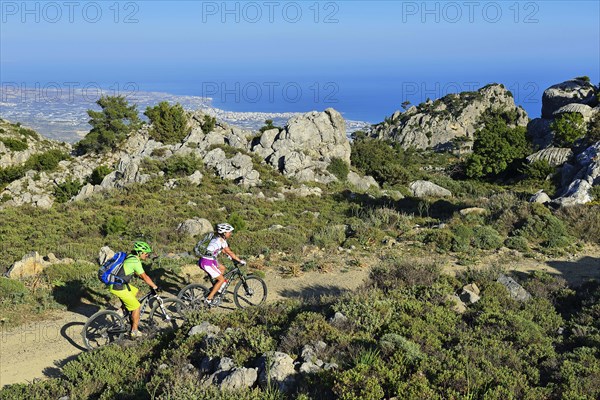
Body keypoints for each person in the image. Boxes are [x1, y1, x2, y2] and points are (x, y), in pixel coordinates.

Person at [109, 241, 159, 337]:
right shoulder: (135, 261)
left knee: (134, 290)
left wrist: (144, 279)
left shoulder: (131, 257)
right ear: (140, 252)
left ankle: (121, 311)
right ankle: (134, 331)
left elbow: (135, 272)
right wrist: (154, 286)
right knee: (136, 307)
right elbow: (145, 276)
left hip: (116, 283)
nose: (147, 255)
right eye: (146, 253)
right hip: (118, 286)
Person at [198, 223, 246, 305]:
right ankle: (209, 299)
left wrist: (228, 256)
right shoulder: (222, 240)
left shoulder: (217, 238)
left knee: (223, 268)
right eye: (229, 232)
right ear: (224, 233)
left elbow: (222, 249)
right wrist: (239, 260)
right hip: (207, 262)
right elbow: (229, 251)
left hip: (209, 260)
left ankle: (217, 288)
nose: (230, 234)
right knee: (221, 280)